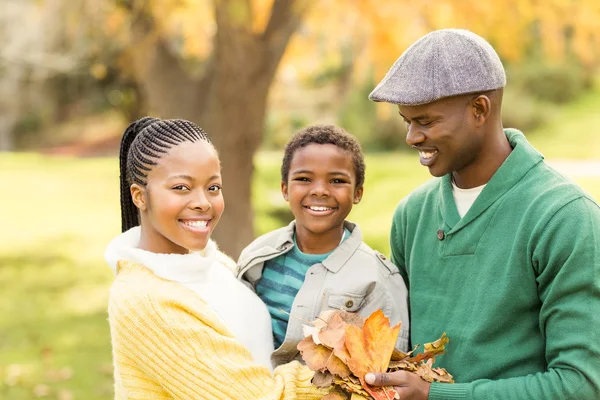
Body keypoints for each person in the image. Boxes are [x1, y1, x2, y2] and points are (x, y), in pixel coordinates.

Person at [362, 29, 600, 400]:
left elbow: (580, 385)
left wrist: (435, 396)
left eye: (425, 121)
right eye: (405, 120)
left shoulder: (565, 218)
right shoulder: (412, 215)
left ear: (479, 110)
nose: (410, 137)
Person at [105, 117, 327, 399]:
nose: (203, 202)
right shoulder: (144, 300)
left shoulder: (213, 263)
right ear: (140, 196)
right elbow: (261, 396)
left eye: (213, 188)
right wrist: (351, 377)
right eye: (181, 188)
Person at [236, 124, 410, 366]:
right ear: (285, 189)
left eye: (337, 181)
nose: (320, 190)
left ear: (358, 193)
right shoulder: (258, 256)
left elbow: (383, 369)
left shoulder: (377, 280)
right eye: (304, 179)